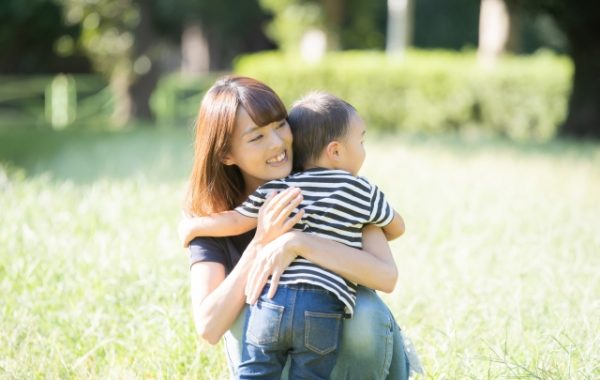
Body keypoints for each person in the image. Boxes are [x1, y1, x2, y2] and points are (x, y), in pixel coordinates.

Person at [183, 75, 414, 379]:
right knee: (244, 314)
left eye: (280, 125)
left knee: (365, 315)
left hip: (354, 358)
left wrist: (297, 241)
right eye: (257, 137)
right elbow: (209, 327)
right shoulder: (216, 215)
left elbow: (386, 276)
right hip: (275, 351)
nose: (278, 143)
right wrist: (262, 242)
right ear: (226, 154)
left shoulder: (333, 186)